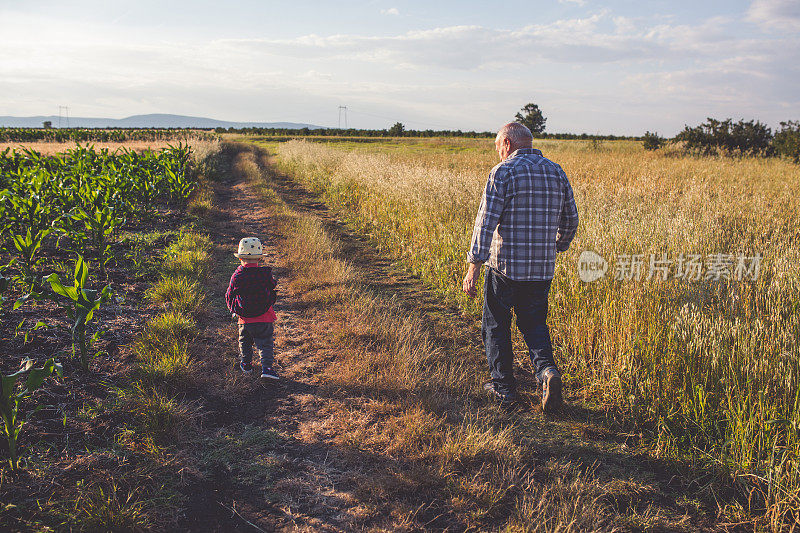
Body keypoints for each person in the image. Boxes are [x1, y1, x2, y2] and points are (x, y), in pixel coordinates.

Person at [463, 122, 579, 413]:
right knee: (535, 324)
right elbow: (571, 220)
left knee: (496, 324)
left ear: (507, 143)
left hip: (504, 267)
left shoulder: (502, 172)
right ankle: (547, 372)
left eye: (498, 148)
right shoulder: (556, 171)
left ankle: (503, 388)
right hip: (541, 269)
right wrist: (557, 247)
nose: (499, 154)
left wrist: (473, 268)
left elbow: (485, 223)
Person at [225, 237, 279, 380]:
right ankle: (267, 368)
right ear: (260, 259)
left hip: (245, 318)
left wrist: (234, 309)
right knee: (265, 342)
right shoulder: (265, 274)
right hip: (265, 317)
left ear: (240, 258)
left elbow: (229, 294)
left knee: (245, 341)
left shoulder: (237, 276)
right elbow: (272, 285)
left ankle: (246, 364)